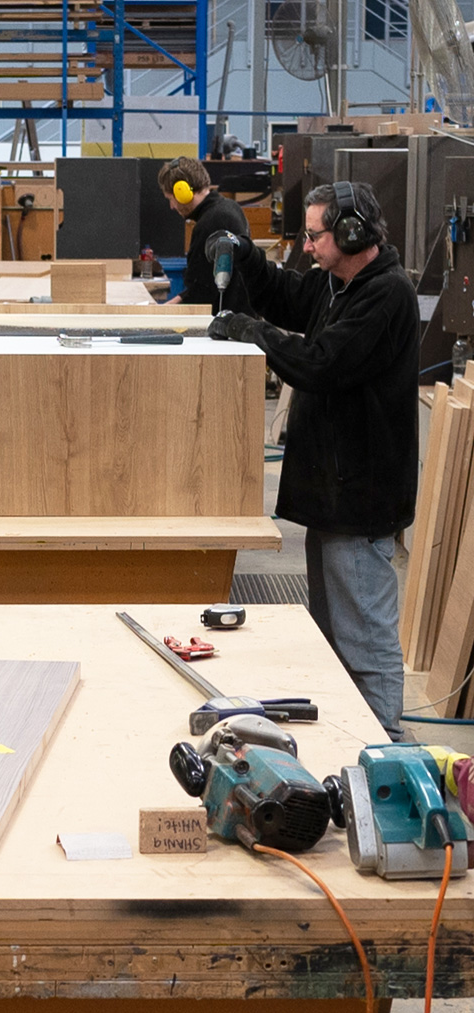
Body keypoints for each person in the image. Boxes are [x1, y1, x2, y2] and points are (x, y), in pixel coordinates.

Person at [206, 182, 421, 738]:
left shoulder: (386, 294)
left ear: (351, 233)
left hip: (360, 493)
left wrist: (252, 331)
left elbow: (323, 362)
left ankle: (385, 750)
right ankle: (353, 742)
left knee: (365, 639)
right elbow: (290, 296)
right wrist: (248, 256)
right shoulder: (338, 283)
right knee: (332, 632)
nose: (307, 247)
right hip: (331, 490)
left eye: (315, 235)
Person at [157, 156, 254, 313]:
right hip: (241, 318)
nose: (172, 206)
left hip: (226, 325)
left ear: (183, 192)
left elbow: (199, 296)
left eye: (171, 199)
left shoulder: (210, 223)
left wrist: (162, 312)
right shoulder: (230, 207)